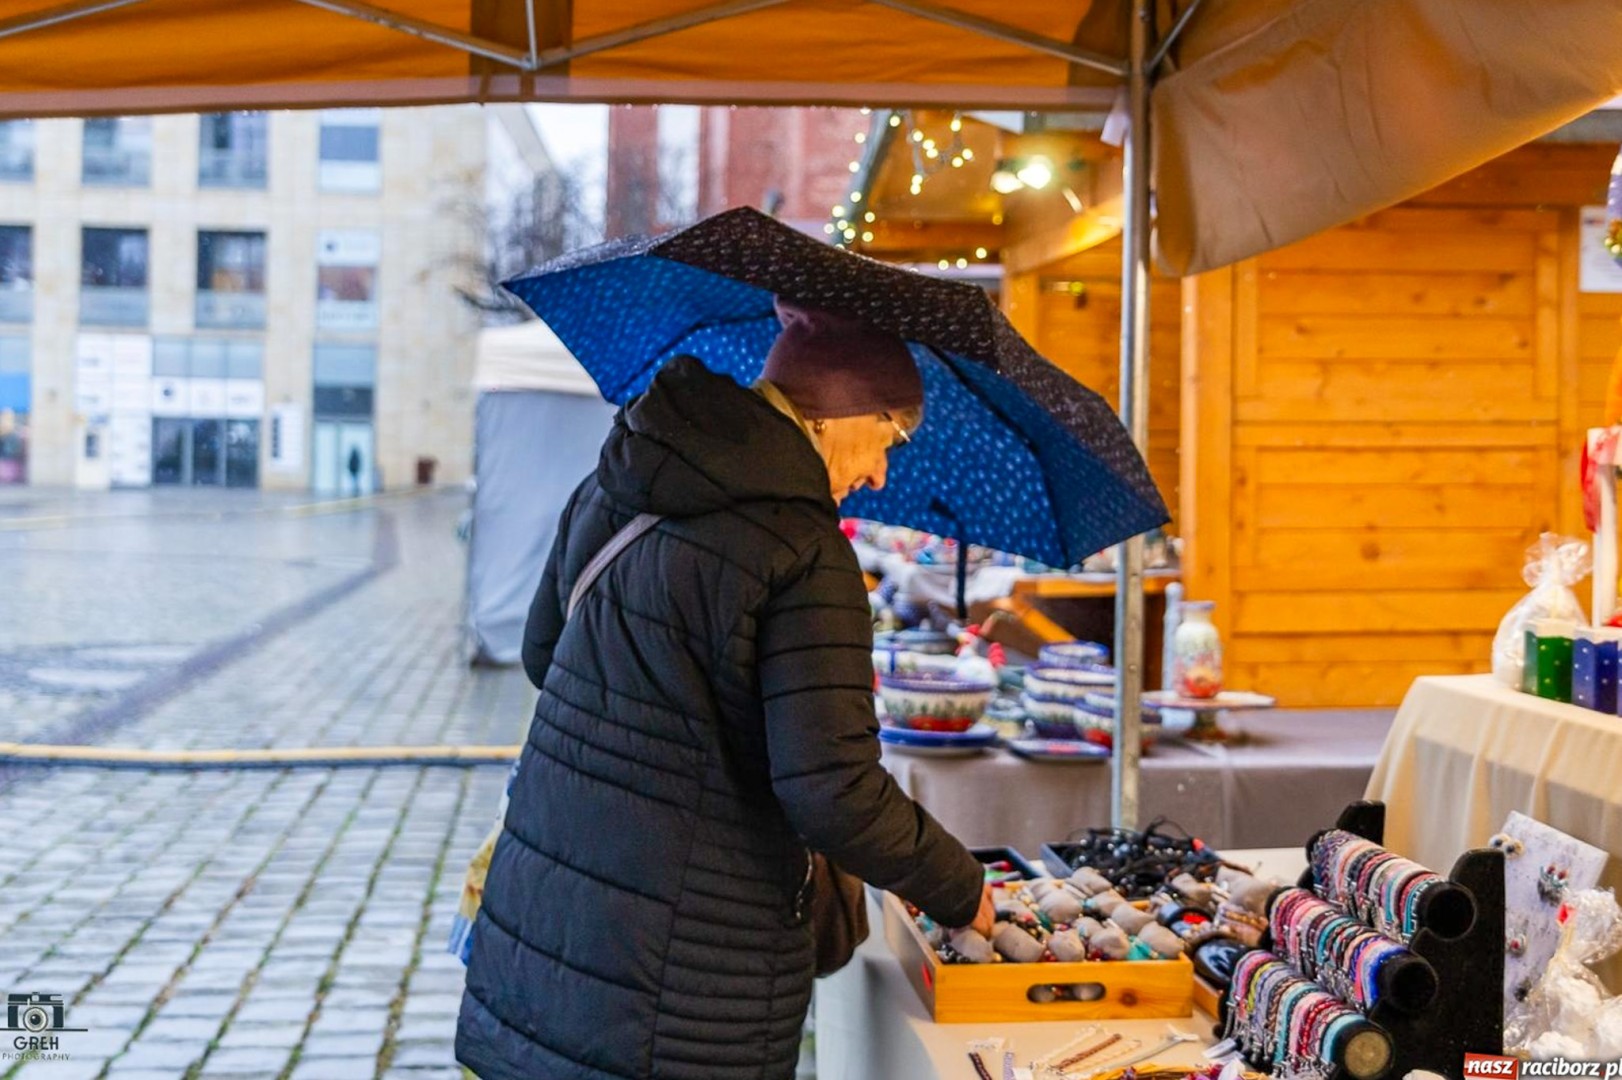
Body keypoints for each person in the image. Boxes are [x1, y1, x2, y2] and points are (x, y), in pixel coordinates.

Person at [455, 299, 994, 1080]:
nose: (882, 471)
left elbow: (546, 654)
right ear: (838, 409)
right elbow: (834, 792)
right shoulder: (807, 555)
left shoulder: (616, 482)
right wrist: (959, 885)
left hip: (550, 918)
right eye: (890, 436)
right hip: (684, 973)